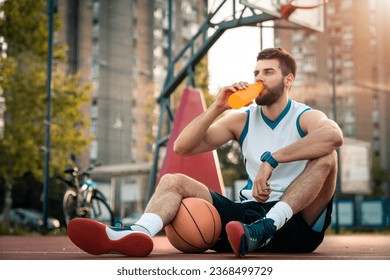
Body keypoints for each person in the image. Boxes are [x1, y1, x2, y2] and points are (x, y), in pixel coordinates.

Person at [67, 47, 343, 257]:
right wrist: (217, 108)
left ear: (288, 80)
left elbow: (334, 136)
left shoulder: (304, 116)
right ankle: (138, 233)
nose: (259, 78)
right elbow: (182, 147)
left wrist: (272, 159)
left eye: (268, 72)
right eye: (256, 73)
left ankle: (267, 227)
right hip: (246, 220)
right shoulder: (243, 118)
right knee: (173, 180)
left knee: (327, 155)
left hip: (295, 224)